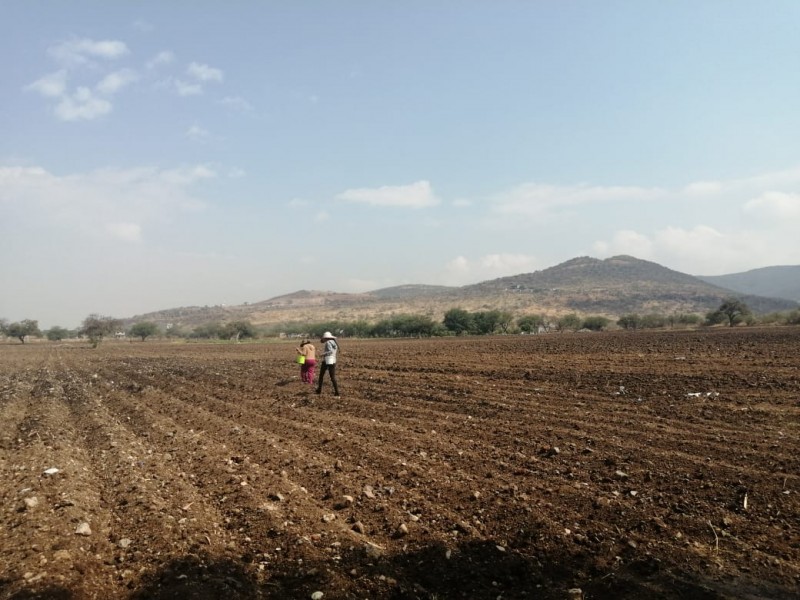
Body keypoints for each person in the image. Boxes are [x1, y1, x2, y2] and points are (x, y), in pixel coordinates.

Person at [315, 331, 340, 397]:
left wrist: (322, 354)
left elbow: (330, 351)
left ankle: (319, 390)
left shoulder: (328, 342)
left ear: (326, 338)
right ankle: (337, 392)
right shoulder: (334, 342)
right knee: (332, 377)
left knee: (321, 376)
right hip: (333, 360)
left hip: (327, 360)